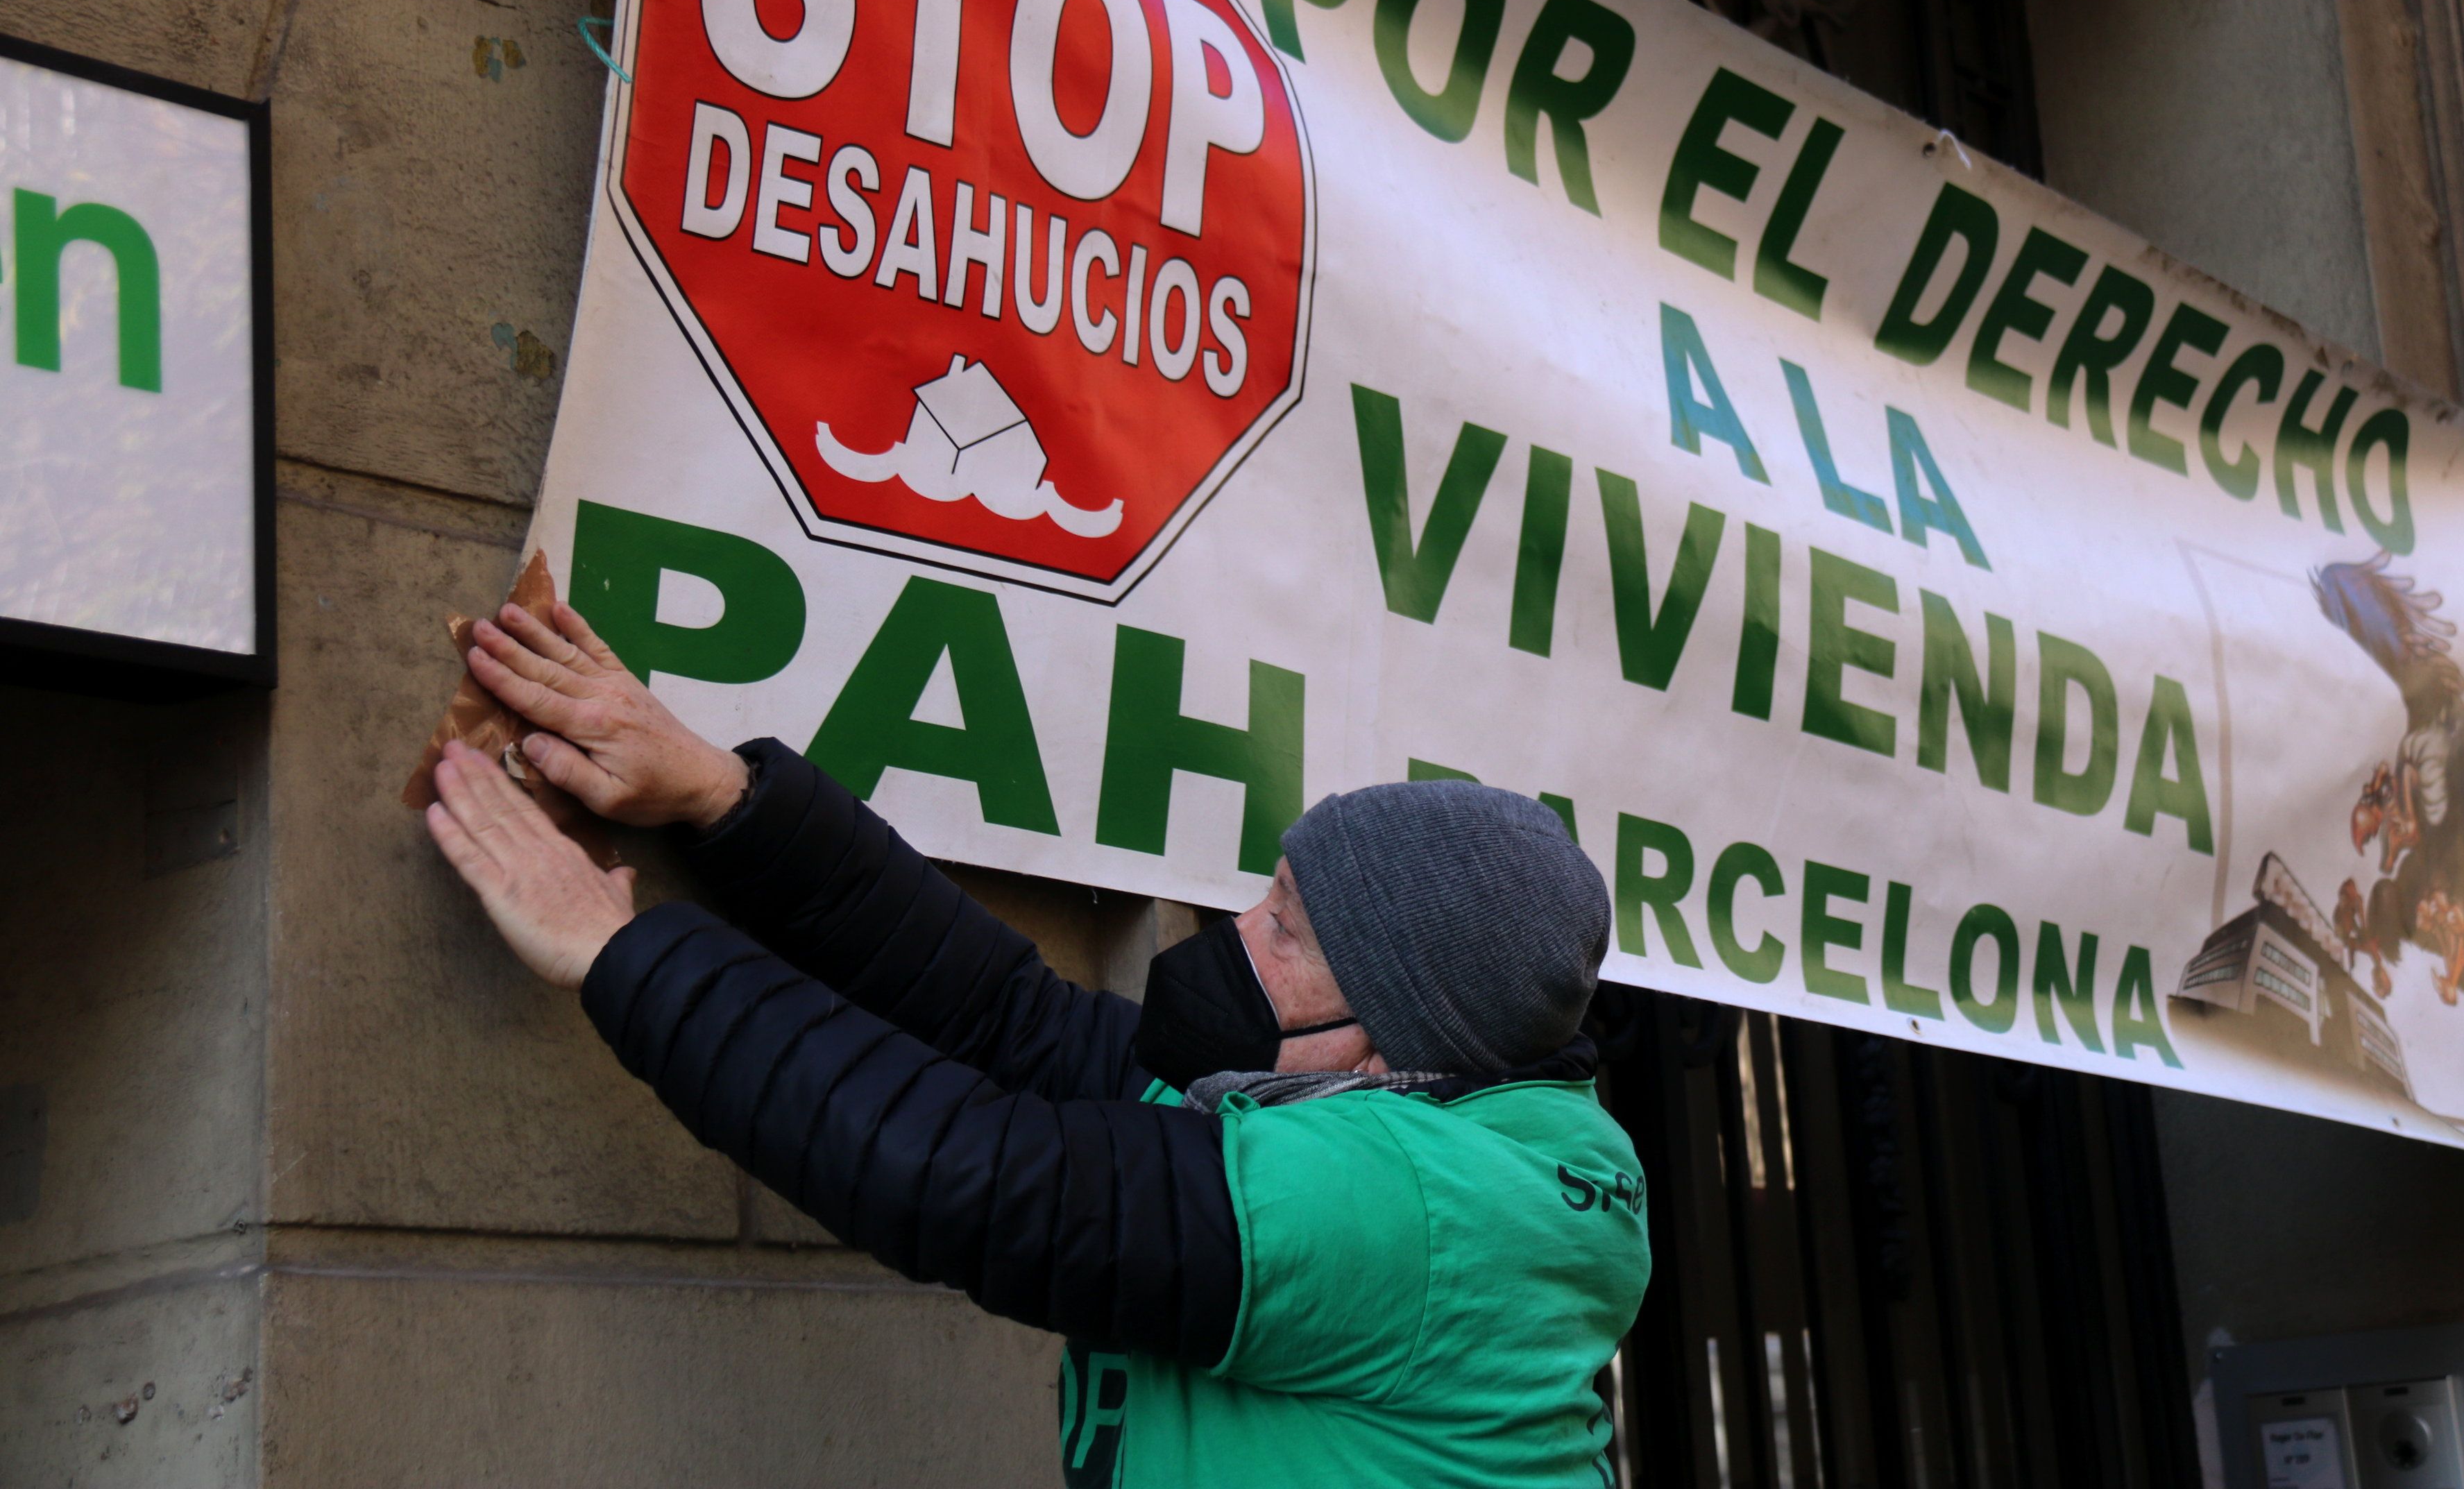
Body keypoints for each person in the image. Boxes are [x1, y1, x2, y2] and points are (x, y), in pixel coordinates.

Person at [420, 596, 1649, 1488]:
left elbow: (980, 1184)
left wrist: (621, 952)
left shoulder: (1412, 1205)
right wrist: (728, 802)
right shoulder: (1429, 1123)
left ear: (1391, 1039)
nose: (1239, 931)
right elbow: (1014, 1021)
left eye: (1287, 927)